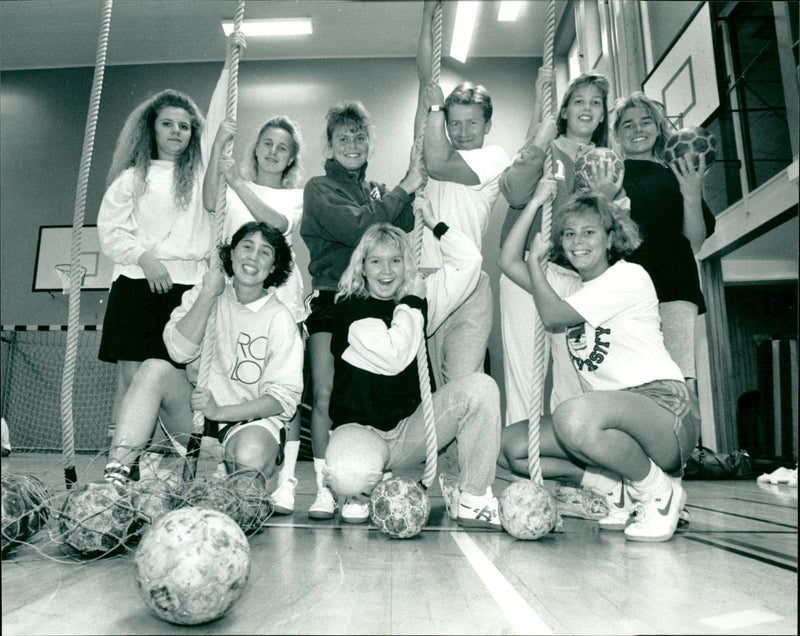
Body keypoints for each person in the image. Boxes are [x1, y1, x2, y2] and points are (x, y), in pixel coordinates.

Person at [499, 185, 699, 542]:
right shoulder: (573, 287)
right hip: (611, 421)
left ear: (610, 238)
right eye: (569, 234)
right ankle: (613, 489)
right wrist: (534, 203)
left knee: (572, 416)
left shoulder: (628, 276)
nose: (578, 241)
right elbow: (507, 261)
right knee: (512, 447)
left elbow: (552, 313)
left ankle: (657, 491)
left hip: (666, 413)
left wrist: (536, 264)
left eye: (589, 232)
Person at [324, 199, 502, 528]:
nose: (387, 271)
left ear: (407, 265)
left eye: (395, 261)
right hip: (362, 430)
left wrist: (436, 225)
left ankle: (474, 497)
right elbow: (394, 355)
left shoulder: (417, 301)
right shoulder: (350, 310)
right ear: (362, 266)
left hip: (412, 432)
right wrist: (411, 302)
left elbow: (469, 262)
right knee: (348, 477)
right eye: (375, 261)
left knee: (481, 389)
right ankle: (363, 486)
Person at [97, 43, 234, 450]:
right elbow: (112, 233)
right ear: (152, 129)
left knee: (178, 378)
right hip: (139, 283)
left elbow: (221, 114)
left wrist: (230, 58)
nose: (177, 131)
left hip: (186, 288)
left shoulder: (202, 178)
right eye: (168, 124)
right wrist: (146, 260)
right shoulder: (132, 179)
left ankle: (179, 458)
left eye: (184, 125)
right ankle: (125, 461)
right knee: (133, 376)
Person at [103, 222, 303, 487]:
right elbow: (178, 350)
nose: (253, 257)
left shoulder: (279, 318)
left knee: (249, 458)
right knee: (153, 368)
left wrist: (220, 411)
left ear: (274, 267)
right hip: (196, 418)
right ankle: (117, 474)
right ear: (231, 253)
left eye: (265, 252)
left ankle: (232, 476)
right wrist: (208, 293)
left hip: (247, 423)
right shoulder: (205, 292)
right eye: (246, 246)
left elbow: (283, 400)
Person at [300, 102, 423, 519]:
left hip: (374, 303)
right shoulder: (318, 187)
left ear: (369, 143)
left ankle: (367, 474)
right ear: (329, 147)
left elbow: (398, 232)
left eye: (359, 137)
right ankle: (323, 487)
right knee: (325, 395)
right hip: (334, 301)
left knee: (373, 392)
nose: (352, 144)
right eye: (342, 138)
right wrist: (403, 188)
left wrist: (409, 189)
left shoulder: (377, 192)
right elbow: (358, 230)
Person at [203, 34, 307, 515]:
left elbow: (279, 226)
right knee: (229, 375)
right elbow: (210, 203)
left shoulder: (292, 196)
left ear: (289, 159)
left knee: (283, 388)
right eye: (265, 142)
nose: (271, 150)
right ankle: (223, 452)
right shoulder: (230, 189)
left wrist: (235, 179)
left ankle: (283, 478)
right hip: (236, 301)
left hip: (280, 302)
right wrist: (219, 152)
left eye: (281, 147)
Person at [498, 71, 618, 436]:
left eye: (595, 103)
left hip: (572, 276)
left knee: (574, 368)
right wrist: (539, 137)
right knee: (524, 369)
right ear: (564, 111)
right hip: (526, 268)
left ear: (602, 115)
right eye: (579, 101)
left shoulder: (606, 163)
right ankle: (522, 462)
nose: (587, 108)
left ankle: (574, 453)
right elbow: (515, 192)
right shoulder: (546, 148)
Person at [416, 0, 510, 387]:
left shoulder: (493, 157)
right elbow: (426, 80)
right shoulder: (437, 142)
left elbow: (437, 165)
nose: (464, 130)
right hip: (426, 279)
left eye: (472, 122)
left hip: (467, 283)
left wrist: (438, 106)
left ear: (487, 125)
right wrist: (427, 15)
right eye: (455, 123)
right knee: (432, 394)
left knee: (463, 388)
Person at [613, 92, 715, 388]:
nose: (638, 129)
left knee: (678, 380)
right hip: (628, 294)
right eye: (628, 125)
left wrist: (692, 192)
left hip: (675, 288)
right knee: (634, 383)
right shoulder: (612, 176)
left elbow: (693, 243)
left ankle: (687, 436)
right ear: (617, 134)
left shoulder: (675, 173)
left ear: (658, 129)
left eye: (646, 122)